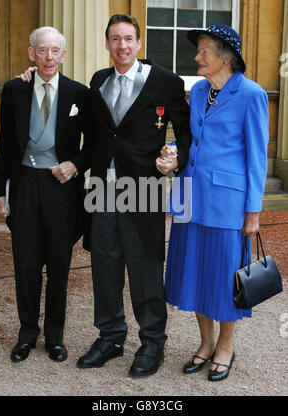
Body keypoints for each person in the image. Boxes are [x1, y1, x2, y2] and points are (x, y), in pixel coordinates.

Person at [77, 14, 191, 377]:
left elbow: (185, 134)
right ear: (107, 44)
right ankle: (110, 337)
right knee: (105, 266)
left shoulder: (166, 82)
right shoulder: (98, 81)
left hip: (144, 187)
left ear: (139, 43)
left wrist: (174, 159)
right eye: (115, 39)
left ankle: (152, 342)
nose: (122, 46)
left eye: (128, 39)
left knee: (144, 268)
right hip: (102, 188)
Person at [157, 24, 269, 381]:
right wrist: (174, 152)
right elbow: (193, 140)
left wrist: (253, 211)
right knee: (194, 275)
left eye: (204, 51)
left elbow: (257, 159)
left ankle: (225, 346)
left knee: (223, 280)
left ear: (227, 57)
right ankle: (204, 343)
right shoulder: (201, 89)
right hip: (191, 198)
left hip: (229, 205)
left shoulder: (251, 94)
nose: (197, 58)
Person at [0, 27, 90, 363]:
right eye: (42, 50)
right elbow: (5, 145)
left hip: (61, 187)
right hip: (23, 184)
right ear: (32, 54)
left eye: (55, 51)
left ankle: (55, 337)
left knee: (59, 264)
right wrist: (1, 191)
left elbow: (93, 146)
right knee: (26, 263)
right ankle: (26, 335)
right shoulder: (14, 90)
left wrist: (74, 165)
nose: (49, 57)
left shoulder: (79, 93)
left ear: (63, 55)